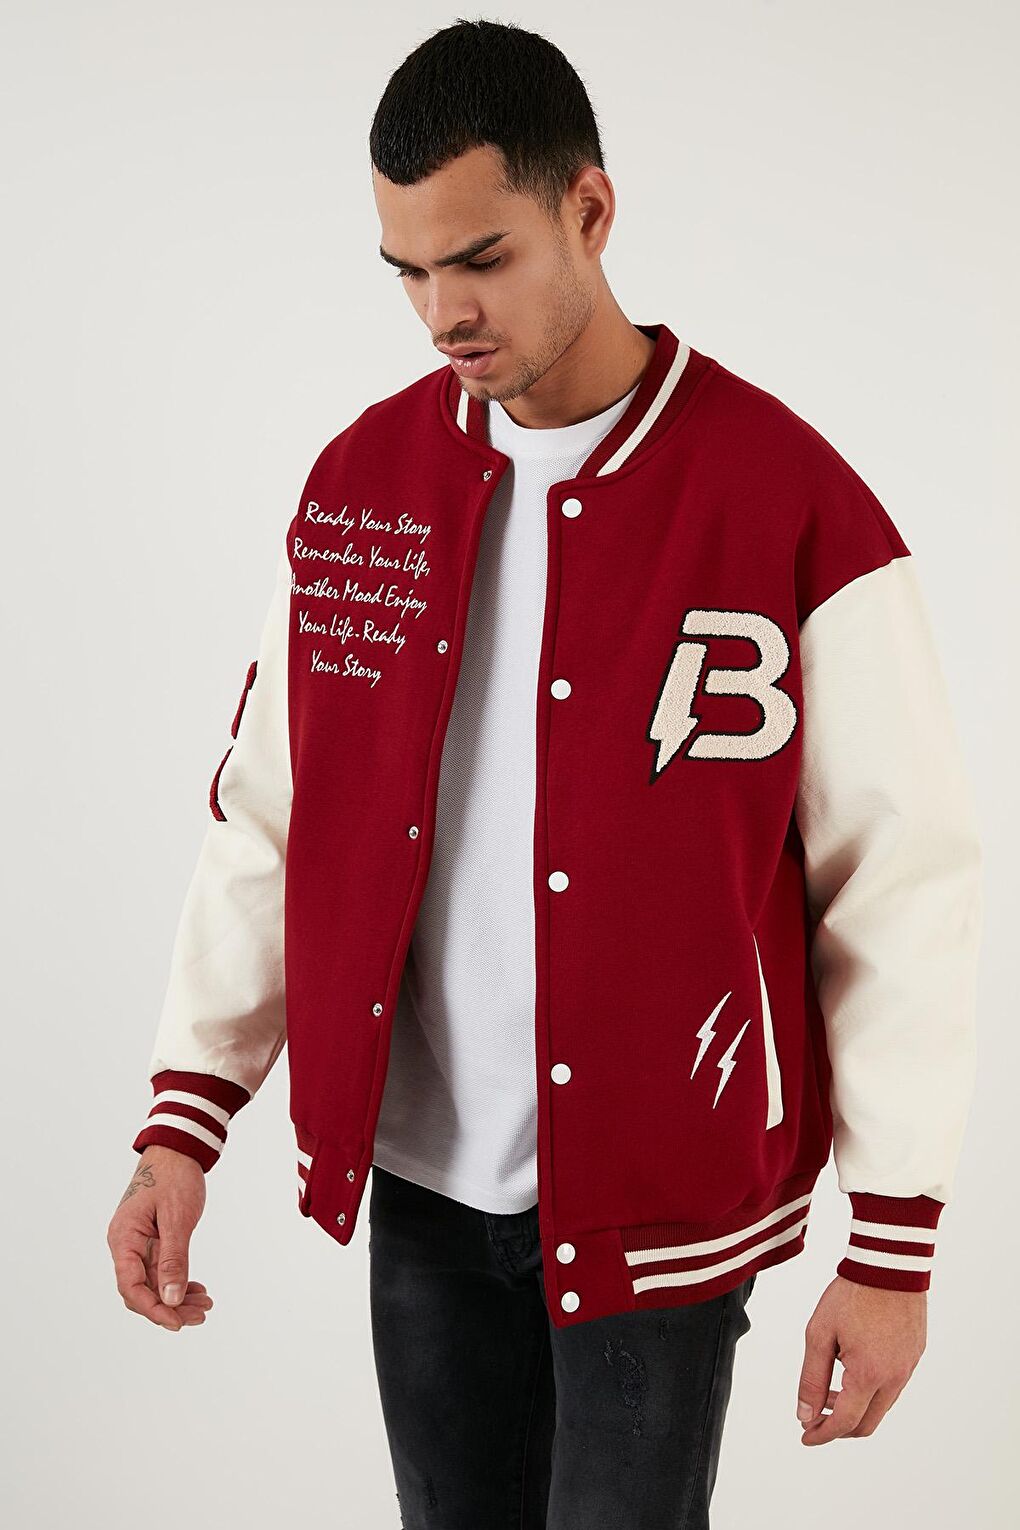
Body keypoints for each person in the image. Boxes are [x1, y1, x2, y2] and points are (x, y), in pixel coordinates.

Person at [106, 19, 984, 1528]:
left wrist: (892, 1240)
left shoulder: (787, 498)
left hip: (664, 1193)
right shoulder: (363, 490)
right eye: (406, 271)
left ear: (590, 208)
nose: (442, 312)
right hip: (423, 1184)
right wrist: (184, 1121)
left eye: (483, 259)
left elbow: (902, 874)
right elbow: (270, 817)